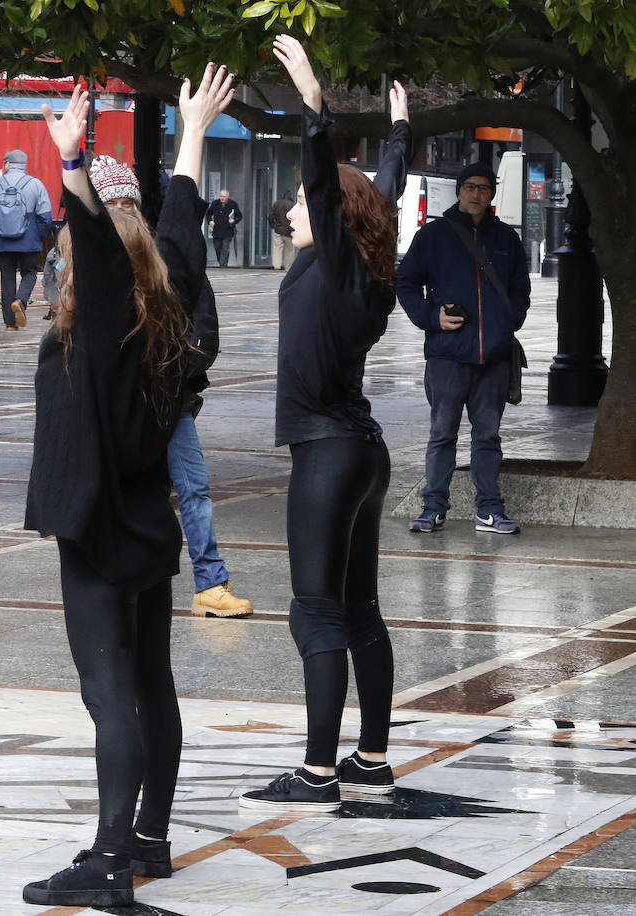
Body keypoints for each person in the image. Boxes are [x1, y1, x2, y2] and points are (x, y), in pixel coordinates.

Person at [21, 68, 229, 907]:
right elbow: (177, 232)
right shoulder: (175, 305)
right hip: (148, 521)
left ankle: (108, 864)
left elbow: (104, 254)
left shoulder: (108, 316)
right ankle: (148, 839)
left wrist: (73, 168)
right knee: (152, 686)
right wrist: (191, 138)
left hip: (102, 527)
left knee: (110, 695)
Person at [238, 36, 410, 814]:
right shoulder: (369, 269)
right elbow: (387, 194)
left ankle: (316, 773)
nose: (293, 208)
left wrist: (313, 99)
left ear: (336, 213)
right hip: (361, 451)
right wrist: (399, 139)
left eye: (306, 202)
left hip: (331, 452)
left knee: (316, 610)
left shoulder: (337, 260)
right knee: (360, 609)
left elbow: (324, 175)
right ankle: (370, 759)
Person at [89, 155, 254, 619]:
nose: (123, 211)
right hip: (120, 406)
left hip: (170, 398)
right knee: (126, 492)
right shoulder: (89, 266)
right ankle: (121, 576)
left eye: (128, 202)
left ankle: (211, 582)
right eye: (112, 203)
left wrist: (173, 370)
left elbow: (205, 330)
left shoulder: (170, 259)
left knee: (193, 488)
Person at [397, 162, 530, 535]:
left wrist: (510, 322)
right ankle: (432, 508)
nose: (476, 193)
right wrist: (430, 317)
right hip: (447, 355)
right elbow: (405, 284)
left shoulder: (506, 239)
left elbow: (521, 288)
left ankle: (489, 510)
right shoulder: (433, 236)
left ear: (491, 195)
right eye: (469, 186)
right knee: (442, 434)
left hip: (494, 358)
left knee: (488, 436)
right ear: (459, 191)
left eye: (483, 188)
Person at [0, 149, 53, 330]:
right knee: (30, 273)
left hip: (3, 242)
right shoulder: (35, 184)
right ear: (24, 165)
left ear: (7, 164)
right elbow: (46, 217)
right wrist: (37, 236)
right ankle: (21, 300)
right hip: (29, 240)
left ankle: (10, 323)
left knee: (7, 279)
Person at [205, 188, 242, 267]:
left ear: (228, 197)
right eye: (221, 196)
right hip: (217, 230)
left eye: (224, 196)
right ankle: (222, 263)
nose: (222, 198)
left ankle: (223, 266)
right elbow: (208, 214)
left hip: (227, 231)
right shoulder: (215, 203)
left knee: (225, 248)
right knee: (217, 248)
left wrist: (234, 220)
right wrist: (210, 221)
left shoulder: (233, 204)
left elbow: (239, 216)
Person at [269, 189, 295, 269]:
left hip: (278, 230)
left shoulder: (277, 204)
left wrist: (273, 226)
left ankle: (276, 266)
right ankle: (288, 267)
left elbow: (271, 216)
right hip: (289, 231)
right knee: (289, 250)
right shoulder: (292, 205)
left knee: (277, 249)